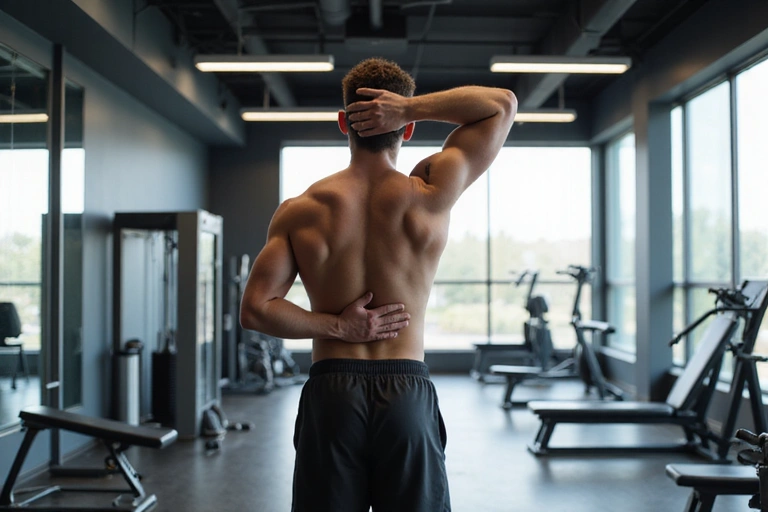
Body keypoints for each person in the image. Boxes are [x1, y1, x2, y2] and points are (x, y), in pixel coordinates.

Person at [240, 57, 516, 512]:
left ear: (342, 123)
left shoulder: (302, 208)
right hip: (406, 391)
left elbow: (255, 309)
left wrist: (338, 327)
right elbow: (501, 104)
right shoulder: (430, 192)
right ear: (405, 130)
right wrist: (410, 107)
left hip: (332, 395)